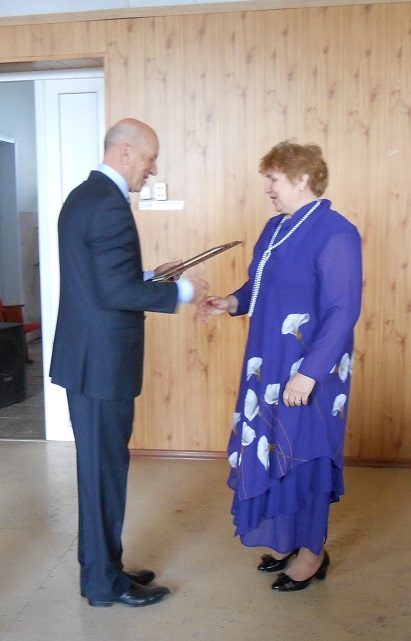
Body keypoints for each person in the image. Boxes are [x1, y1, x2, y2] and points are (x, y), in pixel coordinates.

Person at [50, 118, 208, 607]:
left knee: (102, 473)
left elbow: (102, 277)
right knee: (103, 476)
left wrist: (151, 275)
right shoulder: (109, 205)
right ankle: (103, 584)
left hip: (88, 361)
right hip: (101, 367)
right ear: (124, 152)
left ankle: (105, 567)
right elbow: (114, 291)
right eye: (149, 158)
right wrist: (183, 291)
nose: (152, 169)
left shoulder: (85, 196)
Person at [197, 141, 362, 592]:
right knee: (276, 449)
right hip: (269, 363)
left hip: (311, 370)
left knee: (306, 453)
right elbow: (259, 287)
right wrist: (229, 302)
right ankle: (290, 539)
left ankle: (313, 552)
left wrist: (309, 374)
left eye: (274, 179)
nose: (268, 188)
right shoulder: (275, 228)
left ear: (302, 178)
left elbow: (343, 310)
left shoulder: (336, 232)